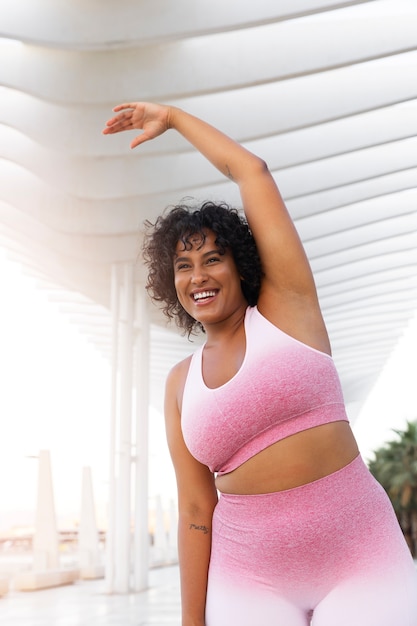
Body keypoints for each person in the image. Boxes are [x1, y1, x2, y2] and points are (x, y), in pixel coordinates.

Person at [103, 103, 417, 626]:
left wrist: (176, 119)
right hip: (248, 577)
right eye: (183, 266)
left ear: (240, 265)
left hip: (361, 557)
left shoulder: (288, 310)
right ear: (171, 283)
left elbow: (253, 172)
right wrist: (191, 621)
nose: (198, 276)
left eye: (211, 259)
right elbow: (196, 512)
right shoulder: (180, 384)